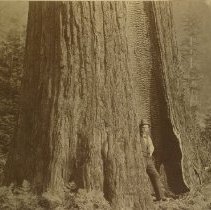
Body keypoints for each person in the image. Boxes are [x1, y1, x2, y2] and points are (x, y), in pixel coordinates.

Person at [139, 119, 166, 201]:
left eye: (146, 127)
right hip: (141, 158)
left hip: (149, 159)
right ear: (140, 128)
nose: (145, 129)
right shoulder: (137, 137)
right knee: (141, 177)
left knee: (155, 175)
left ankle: (160, 196)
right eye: (143, 127)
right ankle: (143, 198)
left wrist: (150, 152)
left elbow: (151, 146)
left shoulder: (148, 137)